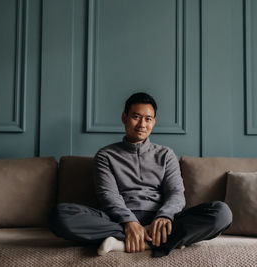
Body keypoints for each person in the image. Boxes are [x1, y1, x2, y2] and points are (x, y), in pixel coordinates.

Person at [48, 92, 232, 257]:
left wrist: (165, 216)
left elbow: (176, 193)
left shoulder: (166, 154)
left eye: (148, 119)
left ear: (154, 121)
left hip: (160, 221)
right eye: (136, 117)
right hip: (119, 220)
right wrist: (129, 221)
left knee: (221, 213)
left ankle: (124, 242)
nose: (142, 124)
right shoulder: (106, 155)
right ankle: (158, 240)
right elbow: (108, 195)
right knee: (60, 215)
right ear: (124, 117)